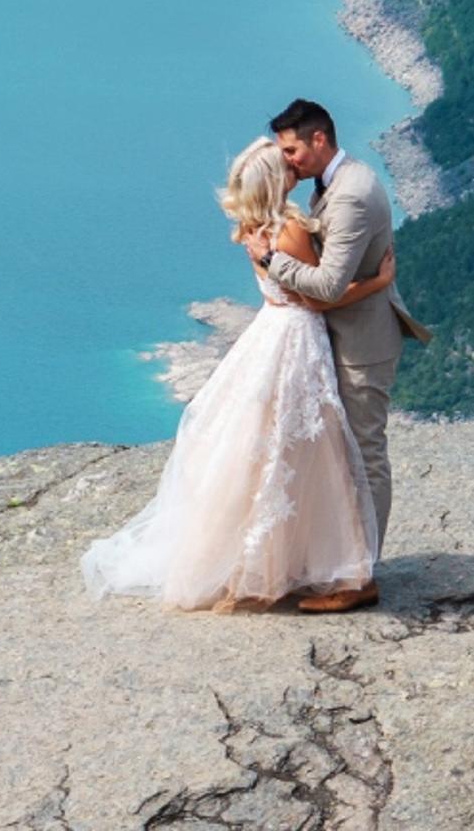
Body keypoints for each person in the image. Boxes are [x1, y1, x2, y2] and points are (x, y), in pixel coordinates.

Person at [78, 136, 396, 611]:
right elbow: (319, 297)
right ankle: (332, 565)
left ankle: (272, 560)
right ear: (277, 180)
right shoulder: (287, 230)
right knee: (311, 453)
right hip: (296, 340)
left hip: (268, 334)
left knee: (267, 450)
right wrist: (377, 282)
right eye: (284, 161)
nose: (294, 163)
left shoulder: (252, 227)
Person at [253, 98, 414, 611]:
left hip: (361, 349)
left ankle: (361, 577)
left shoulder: (350, 196)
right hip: (337, 342)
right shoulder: (333, 186)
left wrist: (271, 260)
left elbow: (324, 286)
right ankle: (339, 563)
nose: (288, 161)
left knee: (365, 457)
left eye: (293, 149)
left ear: (319, 140)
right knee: (342, 458)